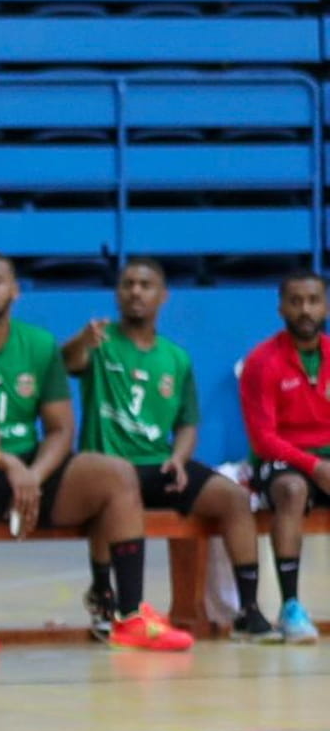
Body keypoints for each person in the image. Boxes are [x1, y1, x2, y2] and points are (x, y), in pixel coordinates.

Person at [0, 254, 192, 652]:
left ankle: (129, 615)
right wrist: (6, 462)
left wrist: (34, 474)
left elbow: (61, 429)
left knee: (116, 474)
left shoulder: (39, 344)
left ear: (15, 291)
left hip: (30, 467)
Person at [62, 258, 272, 641]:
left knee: (234, 499)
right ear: (117, 294)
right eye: (127, 284)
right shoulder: (99, 342)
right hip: (108, 467)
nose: (135, 292)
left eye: (145, 285)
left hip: (159, 463)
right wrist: (81, 341)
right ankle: (106, 598)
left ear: (163, 296)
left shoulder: (176, 358)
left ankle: (248, 610)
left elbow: (187, 424)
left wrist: (178, 457)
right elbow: (67, 362)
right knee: (112, 490)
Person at [239, 270, 330, 642]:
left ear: (325, 306)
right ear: (281, 309)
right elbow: (263, 439)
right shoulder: (263, 361)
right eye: (296, 301)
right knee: (292, 490)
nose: (305, 309)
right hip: (283, 462)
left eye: (313, 301)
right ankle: (291, 606)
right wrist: (315, 466)